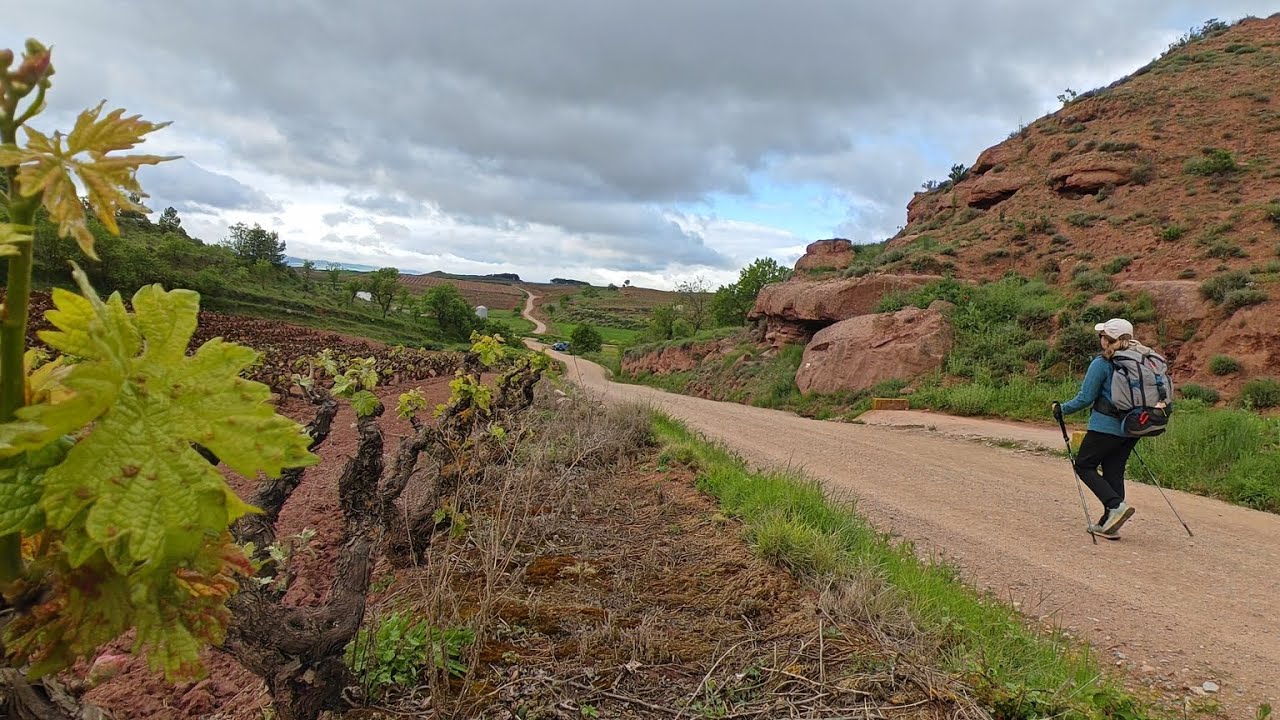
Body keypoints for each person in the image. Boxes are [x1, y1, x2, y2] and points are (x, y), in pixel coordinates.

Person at [1053, 318, 1147, 540]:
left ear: (1108, 340)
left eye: (1102, 335)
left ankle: (1115, 506)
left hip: (1105, 426)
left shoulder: (1103, 362)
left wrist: (1061, 409)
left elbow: (1086, 398)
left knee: (1084, 465)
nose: (1100, 339)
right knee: (1114, 471)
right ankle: (1109, 523)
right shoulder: (1139, 360)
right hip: (1132, 428)